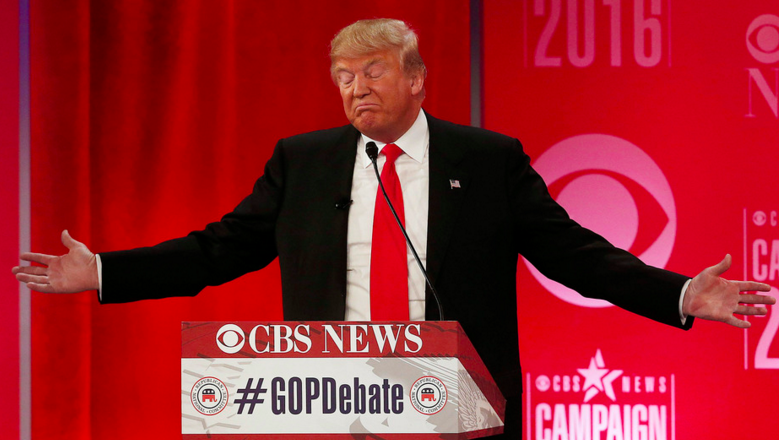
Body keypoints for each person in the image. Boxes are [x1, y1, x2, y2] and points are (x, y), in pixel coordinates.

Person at [12, 18, 775, 438]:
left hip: (454, 399)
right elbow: (218, 249)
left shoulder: (485, 160)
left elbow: (573, 254)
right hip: (327, 396)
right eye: (344, 77)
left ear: (415, 79)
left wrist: (679, 294)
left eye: (372, 72)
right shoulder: (303, 161)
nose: (355, 89)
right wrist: (104, 272)